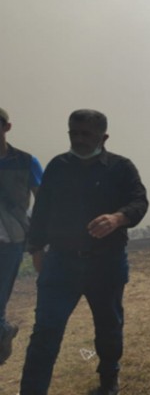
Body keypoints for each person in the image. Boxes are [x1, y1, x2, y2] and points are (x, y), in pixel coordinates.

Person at [20, 109, 148, 395]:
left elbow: (139, 202)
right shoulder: (58, 166)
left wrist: (118, 218)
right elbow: (41, 210)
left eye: (86, 134)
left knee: (108, 326)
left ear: (104, 137)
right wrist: (36, 248)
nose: (78, 139)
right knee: (45, 332)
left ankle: (108, 380)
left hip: (107, 264)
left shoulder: (121, 167)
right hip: (61, 263)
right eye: (73, 133)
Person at [0, 107, 43, 366]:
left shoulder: (26, 162)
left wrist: (40, 238)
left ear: (7, 127)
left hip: (11, 240)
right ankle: (4, 330)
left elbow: (45, 199)